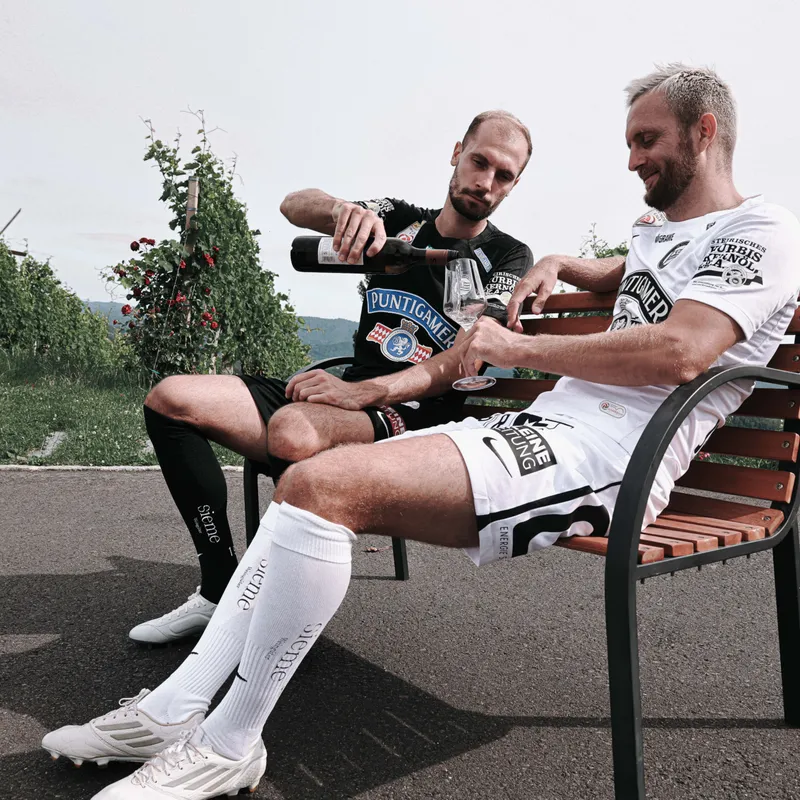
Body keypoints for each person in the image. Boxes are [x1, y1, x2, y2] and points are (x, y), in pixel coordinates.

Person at [45, 64, 800, 800]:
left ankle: (227, 744)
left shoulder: (761, 231)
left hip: (612, 458)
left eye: (646, 140)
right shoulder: (664, 230)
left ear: (705, 132)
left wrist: (517, 346)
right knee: (305, 485)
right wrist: (566, 262)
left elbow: (682, 351)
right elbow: (631, 271)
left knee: (318, 485)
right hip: (546, 424)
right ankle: (171, 712)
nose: (631, 159)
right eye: (630, 142)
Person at [133, 110, 534, 644]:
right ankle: (220, 586)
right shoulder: (398, 219)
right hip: (340, 395)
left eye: (504, 175)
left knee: (293, 431)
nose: (486, 182)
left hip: (412, 415)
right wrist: (344, 212)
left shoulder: (508, 255)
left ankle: (275, 608)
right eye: (480, 162)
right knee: (170, 398)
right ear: (456, 153)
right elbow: (293, 204)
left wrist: (363, 392)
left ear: (513, 185)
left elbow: (470, 357)